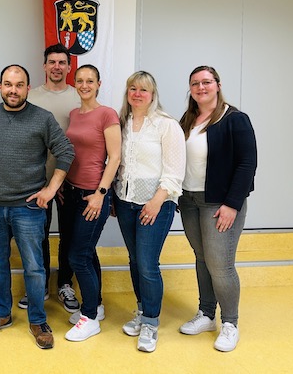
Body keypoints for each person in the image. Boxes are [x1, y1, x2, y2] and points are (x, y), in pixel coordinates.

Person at [0, 64, 75, 350]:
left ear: (28, 88)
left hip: (28, 208)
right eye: (8, 84)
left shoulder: (42, 118)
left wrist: (50, 189)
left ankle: (38, 320)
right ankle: (0, 314)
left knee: (35, 268)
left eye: (19, 85)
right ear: (0, 87)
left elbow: (66, 151)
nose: (13, 90)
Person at [178, 66, 257, 352]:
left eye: (206, 82)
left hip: (219, 203)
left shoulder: (234, 119)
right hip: (189, 201)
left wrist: (232, 205)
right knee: (202, 259)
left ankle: (230, 323)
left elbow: (247, 164)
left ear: (218, 85)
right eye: (195, 83)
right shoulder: (187, 120)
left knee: (220, 265)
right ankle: (207, 314)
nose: (201, 87)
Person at [113, 71, 186, 353]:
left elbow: (174, 171)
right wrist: (116, 196)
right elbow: (117, 163)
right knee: (134, 260)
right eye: (133, 88)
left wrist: (156, 201)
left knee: (147, 263)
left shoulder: (166, 125)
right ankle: (142, 311)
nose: (137, 94)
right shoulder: (122, 123)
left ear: (153, 94)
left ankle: (151, 323)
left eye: (143, 89)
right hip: (125, 201)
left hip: (156, 204)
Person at [62, 65, 121, 341]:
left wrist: (100, 193)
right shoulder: (74, 114)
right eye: (80, 80)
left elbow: (115, 157)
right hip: (72, 192)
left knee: (78, 256)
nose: (84, 85)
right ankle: (96, 306)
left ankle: (89, 318)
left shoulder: (107, 114)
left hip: (93, 194)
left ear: (99, 84)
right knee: (87, 252)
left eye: (90, 81)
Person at [23, 43, 84, 315]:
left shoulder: (79, 97)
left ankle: (65, 284)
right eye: (52, 62)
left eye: (62, 62)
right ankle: (40, 285)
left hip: (71, 180)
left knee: (69, 234)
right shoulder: (31, 97)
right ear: (44, 66)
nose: (57, 67)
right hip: (38, 181)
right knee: (38, 235)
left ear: (69, 67)